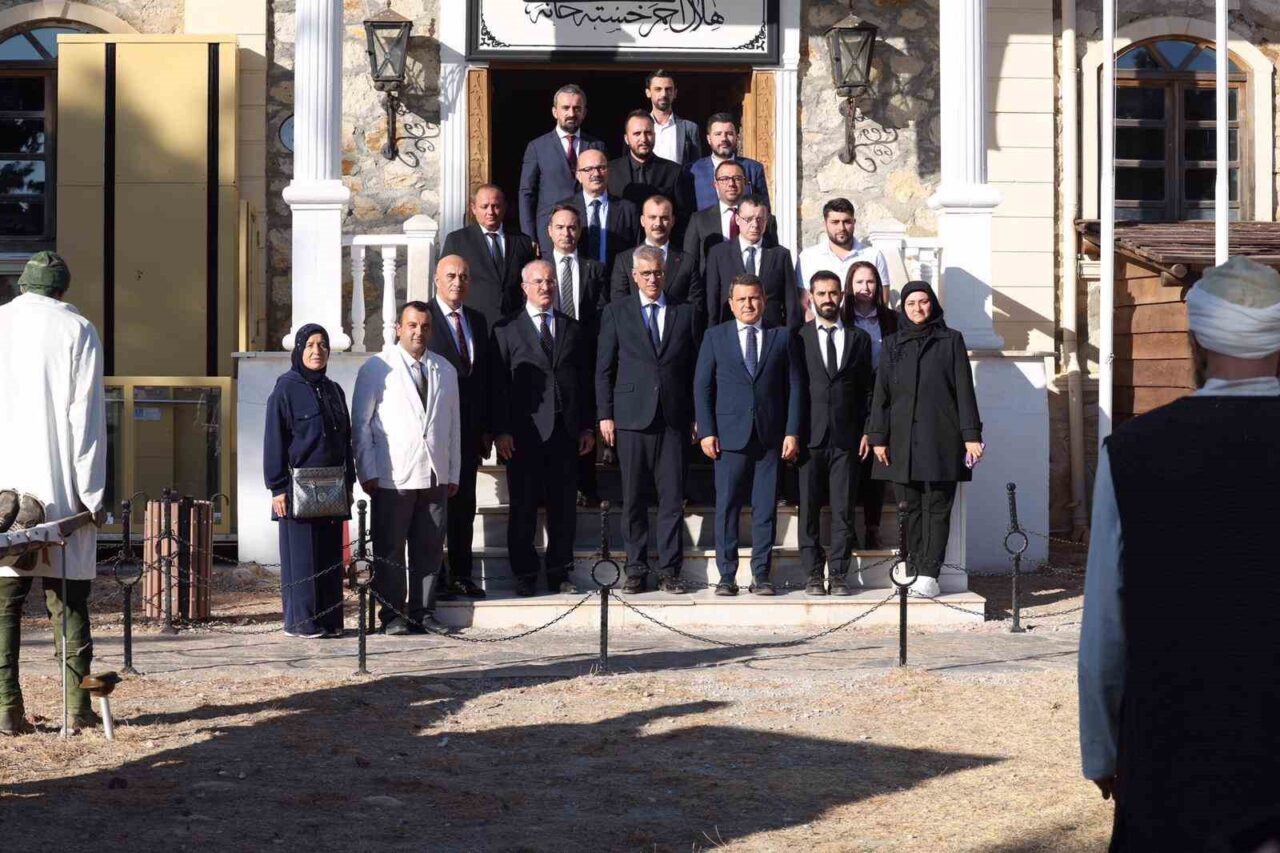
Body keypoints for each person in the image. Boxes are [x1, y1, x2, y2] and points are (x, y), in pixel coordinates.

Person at [1079, 256, 1280, 851]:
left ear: (1195, 337)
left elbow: (1104, 630)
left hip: (1172, 744)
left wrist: (1103, 750)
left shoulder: (1133, 451)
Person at [0, 252, 106, 735]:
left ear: (24, 285)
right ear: (62, 289)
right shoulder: (77, 330)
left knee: (4, 606)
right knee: (69, 605)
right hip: (61, 489)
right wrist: (93, 495)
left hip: (3, 492)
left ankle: (5, 711)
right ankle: (77, 712)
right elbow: (84, 422)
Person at [865, 281, 983, 597]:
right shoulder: (892, 344)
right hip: (901, 441)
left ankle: (930, 573)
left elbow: (964, 391)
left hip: (942, 438)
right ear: (902, 308)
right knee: (909, 508)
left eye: (924, 301)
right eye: (911, 303)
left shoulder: (951, 340)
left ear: (933, 305)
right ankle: (911, 568)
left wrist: (971, 436)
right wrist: (878, 436)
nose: (918, 308)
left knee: (937, 508)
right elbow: (882, 395)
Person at [596, 246, 701, 594]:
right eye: (646, 274)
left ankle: (670, 570)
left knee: (672, 499)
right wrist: (605, 414)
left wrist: (697, 415)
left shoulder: (685, 313)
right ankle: (636, 568)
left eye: (657, 272)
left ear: (664, 273)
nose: (652, 279)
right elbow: (604, 368)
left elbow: (695, 370)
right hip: (630, 417)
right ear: (634, 276)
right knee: (634, 498)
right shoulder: (616, 312)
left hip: (673, 417)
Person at [352, 302, 460, 635]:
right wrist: (367, 471)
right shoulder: (377, 367)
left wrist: (452, 473)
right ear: (399, 328)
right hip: (393, 475)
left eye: (425, 326)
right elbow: (362, 424)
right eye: (412, 325)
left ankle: (423, 612)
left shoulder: (445, 369)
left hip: (434, 474)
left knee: (429, 550)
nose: (418, 332)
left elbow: (453, 425)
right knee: (391, 548)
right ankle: (392, 615)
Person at [491, 260, 596, 597]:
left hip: (565, 433)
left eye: (550, 281)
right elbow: (499, 387)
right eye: (538, 282)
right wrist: (501, 430)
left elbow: (584, 382)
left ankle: (559, 572)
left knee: (563, 508)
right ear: (524, 287)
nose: (545, 287)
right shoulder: (506, 330)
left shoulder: (573, 329)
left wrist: (585, 427)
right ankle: (524, 574)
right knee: (523, 507)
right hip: (523, 435)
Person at [694, 275, 802, 596]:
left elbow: (795, 387)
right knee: (727, 506)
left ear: (764, 301)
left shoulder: (781, 337)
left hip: (770, 436)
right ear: (731, 303)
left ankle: (761, 574)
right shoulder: (715, 337)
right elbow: (702, 386)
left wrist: (792, 431)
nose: (748, 305)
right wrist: (707, 431)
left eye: (754, 298)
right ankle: (727, 575)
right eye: (741, 299)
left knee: (765, 507)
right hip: (728, 437)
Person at [264, 323, 354, 638]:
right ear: (299, 349)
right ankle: (302, 623)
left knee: (329, 557)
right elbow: (274, 439)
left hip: (332, 486)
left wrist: (349, 485)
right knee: (302, 557)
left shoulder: (334, 390)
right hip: (296, 487)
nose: (317, 351)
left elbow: (346, 442)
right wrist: (277, 487)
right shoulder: (285, 389)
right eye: (310, 345)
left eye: (323, 345)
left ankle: (330, 621)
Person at [796, 272, 873, 596]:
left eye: (832, 293)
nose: (827, 299)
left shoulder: (859, 339)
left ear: (842, 296)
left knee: (843, 508)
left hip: (847, 437)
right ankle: (813, 573)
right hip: (809, 437)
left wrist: (869, 431)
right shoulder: (798, 337)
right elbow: (793, 389)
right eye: (821, 293)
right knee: (809, 508)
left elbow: (868, 390)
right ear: (810, 297)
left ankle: (839, 574)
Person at [426, 256, 489, 600]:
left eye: (463, 276)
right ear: (437, 279)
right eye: (450, 276)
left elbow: (483, 380)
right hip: (435, 434)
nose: (457, 282)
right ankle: (435, 577)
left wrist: (485, 429)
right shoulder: (425, 320)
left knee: (465, 507)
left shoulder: (477, 321)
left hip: (468, 434)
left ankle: (462, 574)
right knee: (436, 510)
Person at [546, 202, 608, 505]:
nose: (566, 233)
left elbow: (601, 311)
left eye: (572, 227)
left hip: (583, 354)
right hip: (548, 353)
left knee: (583, 417)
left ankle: (587, 485)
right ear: (549, 231)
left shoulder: (594, 268)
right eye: (560, 227)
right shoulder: (539, 269)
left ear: (580, 231)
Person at [844, 261, 897, 549]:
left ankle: (872, 527)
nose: (865, 288)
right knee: (851, 465)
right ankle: (847, 526)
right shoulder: (842, 318)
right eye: (859, 282)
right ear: (849, 287)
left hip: (883, 396)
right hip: (850, 398)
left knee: (878, 463)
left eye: (871, 282)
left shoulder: (892, 320)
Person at [518, 84, 607, 248]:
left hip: (588, 231)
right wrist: (529, 236)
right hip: (549, 234)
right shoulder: (537, 147)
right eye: (566, 108)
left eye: (577, 108)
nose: (571, 113)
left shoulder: (596, 146)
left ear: (584, 112)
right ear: (554, 111)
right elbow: (527, 194)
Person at [440, 184, 537, 326]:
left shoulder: (523, 241)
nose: (490, 212)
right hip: (474, 324)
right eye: (484, 206)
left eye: (495, 206)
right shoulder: (457, 240)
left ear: (504, 207)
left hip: (515, 324)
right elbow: (445, 283)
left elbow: (530, 283)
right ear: (473, 209)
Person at [704, 195, 798, 330]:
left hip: (770, 334)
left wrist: (790, 337)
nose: (755, 225)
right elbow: (712, 301)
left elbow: (791, 302)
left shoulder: (780, 255)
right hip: (730, 331)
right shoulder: (718, 254)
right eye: (748, 219)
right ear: (737, 219)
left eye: (760, 219)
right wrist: (712, 335)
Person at [795, 198, 890, 319]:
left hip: (864, 329)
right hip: (823, 331)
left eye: (847, 222)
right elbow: (803, 301)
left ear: (854, 222)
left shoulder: (873, 255)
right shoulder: (808, 257)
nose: (842, 228)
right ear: (825, 223)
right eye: (835, 222)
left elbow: (883, 299)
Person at [555, 148, 640, 281]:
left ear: (608, 171)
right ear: (578, 175)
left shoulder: (628, 209)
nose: (596, 173)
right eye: (588, 169)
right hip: (577, 283)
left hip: (616, 283)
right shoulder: (565, 209)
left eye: (601, 168)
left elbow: (636, 251)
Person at [682, 159, 777, 277]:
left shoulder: (766, 220)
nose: (731, 184)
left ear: (745, 182)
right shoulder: (699, 221)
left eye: (737, 178)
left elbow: (775, 263)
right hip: (713, 290)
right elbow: (689, 264)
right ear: (715, 184)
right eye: (724, 179)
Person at [609, 194, 702, 311]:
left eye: (664, 218)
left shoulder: (688, 262)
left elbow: (695, 307)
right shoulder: (624, 260)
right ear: (642, 221)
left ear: (672, 221)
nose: (658, 223)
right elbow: (619, 306)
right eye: (652, 217)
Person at [608, 110, 691, 239]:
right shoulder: (611, 171)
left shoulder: (673, 172)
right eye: (637, 134)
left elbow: (683, 216)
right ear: (626, 138)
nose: (643, 139)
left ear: (654, 134)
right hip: (619, 249)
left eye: (648, 133)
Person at [687, 113, 769, 210]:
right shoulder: (692, 170)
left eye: (729, 134)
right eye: (718, 134)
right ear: (709, 139)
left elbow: (764, 211)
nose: (724, 139)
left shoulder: (753, 169)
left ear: (736, 137)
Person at [646, 69, 701, 165]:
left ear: (675, 93)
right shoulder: (636, 128)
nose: (663, 94)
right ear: (648, 93)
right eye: (658, 89)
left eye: (668, 89)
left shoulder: (689, 128)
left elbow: (696, 167)